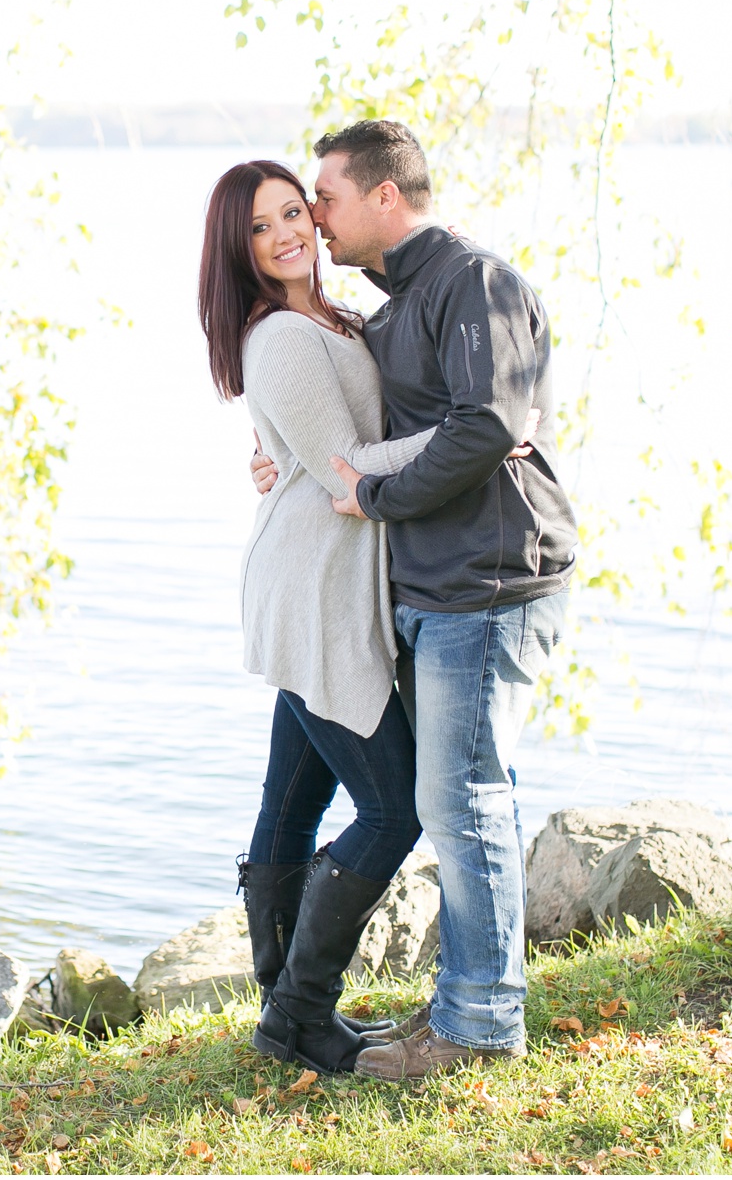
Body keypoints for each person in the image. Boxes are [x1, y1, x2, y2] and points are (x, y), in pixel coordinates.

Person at [251, 120, 576, 1080]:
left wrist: (360, 485)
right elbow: (377, 432)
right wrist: (294, 461)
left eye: (324, 198)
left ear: (385, 195)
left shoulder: (471, 282)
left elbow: (484, 426)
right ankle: (301, 1009)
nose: (314, 216)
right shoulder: (386, 314)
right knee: (443, 796)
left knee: (455, 799)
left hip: (488, 580)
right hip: (419, 588)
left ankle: (475, 1022)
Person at [196, 159, 437, 1076]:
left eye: (294, 211)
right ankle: (300, 1009)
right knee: (391, 807)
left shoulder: (331, 319)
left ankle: (281, 1008)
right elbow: (347, 466)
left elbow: (310, 454)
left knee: (292, 804)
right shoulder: (281, 338)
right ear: (240, 249)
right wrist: (474, 436)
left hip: (323, 577)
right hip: (314, 590)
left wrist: (278, 457)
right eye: (261, 227)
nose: (286, 233)